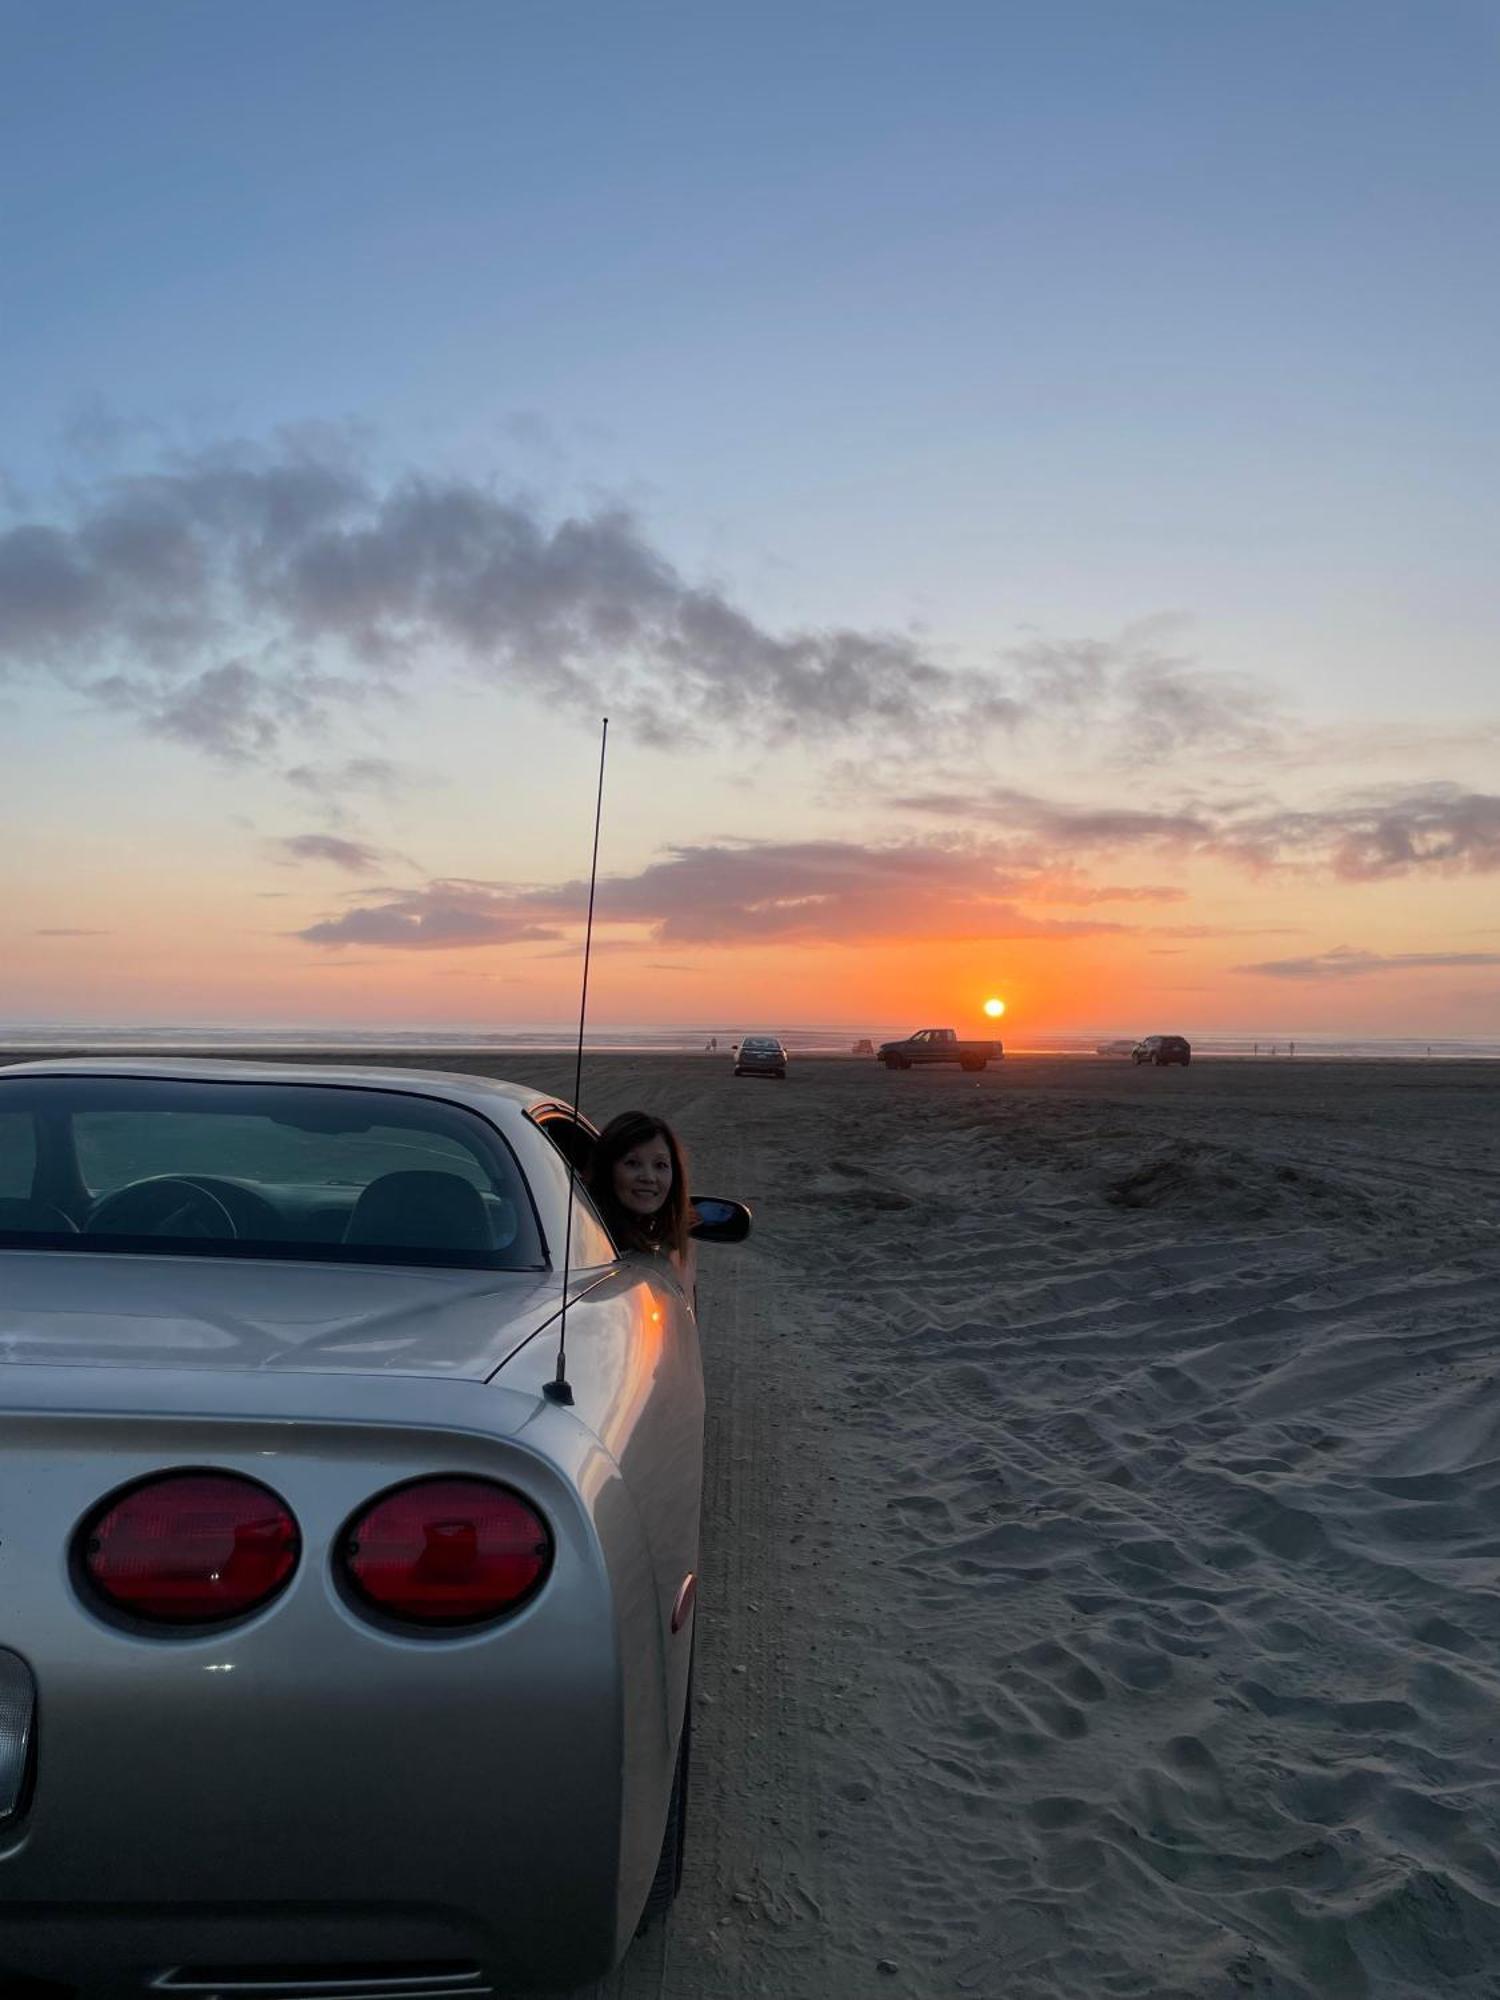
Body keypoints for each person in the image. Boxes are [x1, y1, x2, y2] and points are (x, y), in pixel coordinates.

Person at [587, 1110, 697, 1295]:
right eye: (632, 1163)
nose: (648, 1177)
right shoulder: (591, 1237)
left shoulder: (665, 1237)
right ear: (606, 1170)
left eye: (660, 1165)